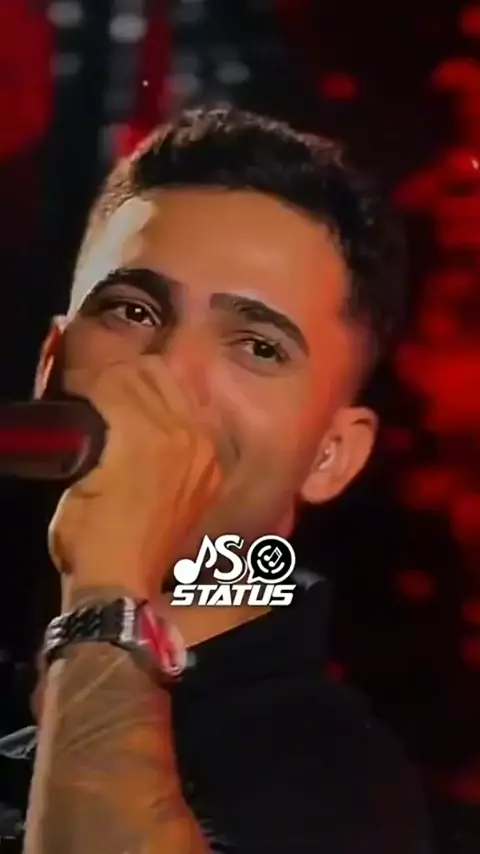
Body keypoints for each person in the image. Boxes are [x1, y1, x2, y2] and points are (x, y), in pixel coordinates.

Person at [1, 105, 431, 854]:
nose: (168, 370)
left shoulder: (336, 783)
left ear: (332, 454)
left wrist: (109, 593)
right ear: (51, 364)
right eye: (132, 310)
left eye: (258, 347)